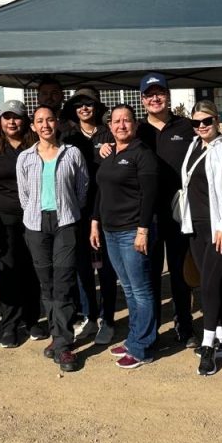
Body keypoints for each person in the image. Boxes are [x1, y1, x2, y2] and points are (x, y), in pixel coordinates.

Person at [17, 106, 89, 373]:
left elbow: (82, 188)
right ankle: (57, 336)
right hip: (36, 225)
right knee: (46, 284)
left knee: (64, 282)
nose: (45, 125)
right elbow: (24, 196)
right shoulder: (25, 158)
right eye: (39, 121)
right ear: (33, 126)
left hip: (65, 223)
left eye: (49, 119)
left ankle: (62, 344)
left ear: (57, 123)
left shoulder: (72, 153)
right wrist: (36, 212)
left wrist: (68, 209)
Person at [178, 101, 222, 376]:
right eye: (196, 123)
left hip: (221, 230)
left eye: (206, 121)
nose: (201, 127)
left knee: (208, 284)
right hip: (196, 228)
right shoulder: (193, 147)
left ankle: (208, 345)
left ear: (217, 120)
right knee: (213, 285)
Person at [91, 104, 159, 370]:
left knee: (141, 290)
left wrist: (143, 230)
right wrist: (95, 223)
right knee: (128, 288)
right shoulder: (108, 153)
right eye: (116, 121)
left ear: (135, 124)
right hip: (110, 231)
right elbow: (100, 191)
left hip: (133, 231)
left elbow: (150, 196)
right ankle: (133, 338)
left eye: (126, 120)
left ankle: (144, 346)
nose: (121, 125)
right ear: (109, 126)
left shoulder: (142, 155)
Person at [135, 72, 197, 347]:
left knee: (180, 273)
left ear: (168, 96)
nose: (155, 98)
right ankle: (152, 331)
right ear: (142, 99)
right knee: (148, 276)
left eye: (159, 93)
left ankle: (184, 326)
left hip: (179, 214)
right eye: (149, 95)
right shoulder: (136, 131)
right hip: (147, 216)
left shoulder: (187, 127)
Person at [0, 100, 47, 347]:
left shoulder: (37, 146)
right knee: (8, 273)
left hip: (34, 217)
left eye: (17, 117)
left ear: (25, 121)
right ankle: (10, 325)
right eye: (7, 117)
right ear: (0, 121)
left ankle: (32, 320)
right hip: (3, 220)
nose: (12, 122)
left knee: (33, 270)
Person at [61, 87, 118, 345]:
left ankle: (108, 319)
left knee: (106, 268)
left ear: (97, 107)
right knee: (82, 268)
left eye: (89, 104)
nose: (84, 108)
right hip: (78, 210)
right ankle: (89, 316)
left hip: (106, 208)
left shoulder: (109, 133)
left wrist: (112, 149)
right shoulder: (68, 136)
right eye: (79, 105)